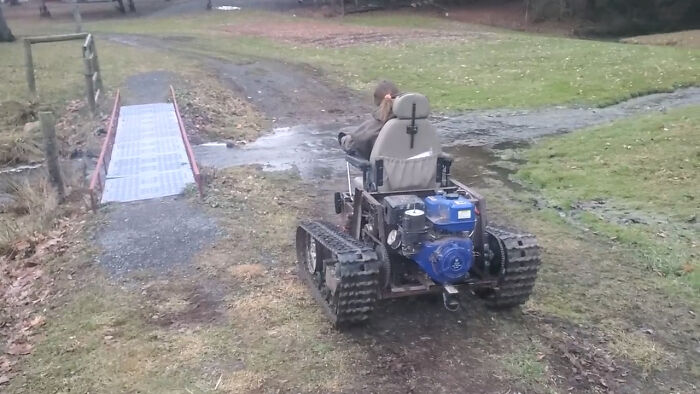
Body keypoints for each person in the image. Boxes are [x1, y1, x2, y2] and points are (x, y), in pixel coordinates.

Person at [338, 81, 400, 160]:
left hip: (384, 170)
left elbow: (353, 144)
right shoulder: (416, 124)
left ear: (377, 102)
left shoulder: (375, 126)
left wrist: (344, 139)